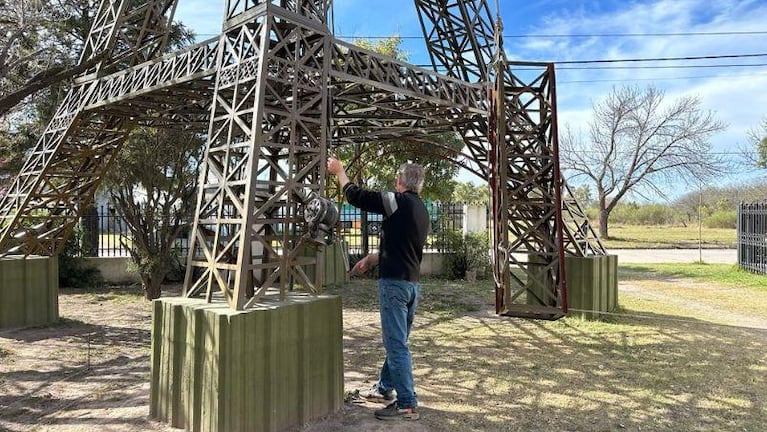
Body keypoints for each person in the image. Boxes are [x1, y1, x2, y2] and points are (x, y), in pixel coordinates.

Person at [326, 157, 430, 421]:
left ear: (399, 182)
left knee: (396, 345)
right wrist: (372, 259)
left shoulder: (397, 201)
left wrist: (340, 172)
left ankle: (407, 403)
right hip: (411, 285)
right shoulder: (421, 209)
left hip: (394, 285)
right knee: (397, 341)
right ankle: (384, 389)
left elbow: (356, 196)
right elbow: (401, 247)